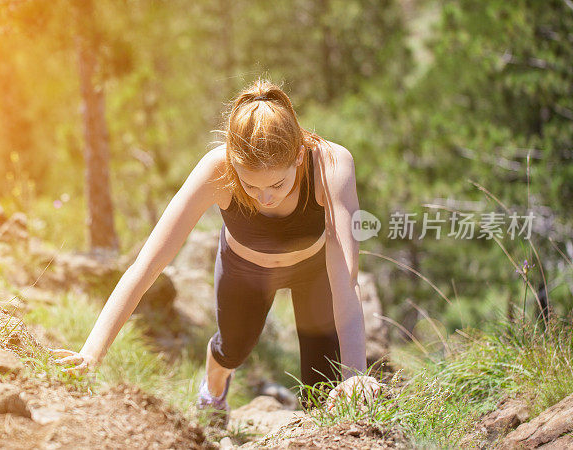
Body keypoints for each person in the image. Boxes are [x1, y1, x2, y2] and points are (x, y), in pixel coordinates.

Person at [51, 78, 381, 419]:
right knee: (231, 350)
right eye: (250, 184)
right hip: (245, 271)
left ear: (298, 154)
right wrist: (91, 353)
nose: (265, 198)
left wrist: (355, 376)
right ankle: (213, 389)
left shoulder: (331, 164)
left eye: (277, 184)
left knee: (323, 391)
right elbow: (146, 265)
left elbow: (345, 276)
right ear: (232, 159)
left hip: (316, 273)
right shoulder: (216, 168)